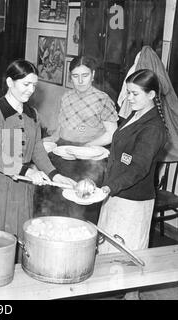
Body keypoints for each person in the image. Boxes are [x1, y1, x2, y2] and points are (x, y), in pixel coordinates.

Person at [0, 59, 76, 245]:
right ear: (9, 82)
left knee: (21, 236)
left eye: (34, 85)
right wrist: (27, 171)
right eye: (26, 84)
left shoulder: (32, 114)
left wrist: (54, 175)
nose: (31, 90)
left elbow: (37, 148)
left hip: (23, 186)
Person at [97, 69, 168, 299]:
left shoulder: (153, 128)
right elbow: (122, 153)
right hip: (116, 194)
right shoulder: (135, 114)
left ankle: (129, 295)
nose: (129, 98)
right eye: (128, 92)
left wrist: (109, 187)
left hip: (132, 201)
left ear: (152, 94)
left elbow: (138, 168)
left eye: (135, 93)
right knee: (109, 253)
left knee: (126, 257)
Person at [45, 56, 118, 146]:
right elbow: (62, 126)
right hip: (63, 146)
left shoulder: (102, 99)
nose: (80, 81)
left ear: (93, 75)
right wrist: (53, 138)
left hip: (90, 151)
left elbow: (112, 134)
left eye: (85, 75)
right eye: (75, 76)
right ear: (70, 77)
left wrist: (87, 146)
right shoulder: (66, 97)